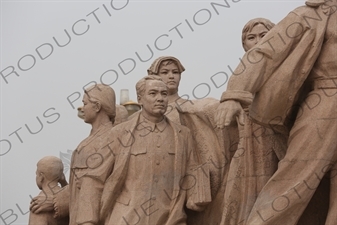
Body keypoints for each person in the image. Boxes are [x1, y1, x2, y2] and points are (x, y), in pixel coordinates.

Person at [215, 0, 337, 224]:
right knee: (295, 176)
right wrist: (235, 93)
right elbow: (266, 52)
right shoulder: (308, 15)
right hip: (326, 98)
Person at [100, 75, 210, 225]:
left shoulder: (183, 134)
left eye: (164, 94)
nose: (160, 98)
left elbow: (191, 171)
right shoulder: (120, 133)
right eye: (153, 94)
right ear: (140, 99)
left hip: (171, 217)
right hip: (127, 216)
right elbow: (98, 178)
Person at [148, 56, 239, 225]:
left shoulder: (191, 107)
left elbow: (212, 108)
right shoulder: (142, 117)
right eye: (165, 72)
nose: (171, 76)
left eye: (175, 72)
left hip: (184, 179)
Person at [219, 18, 289, 225]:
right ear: (244, 44)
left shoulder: (289, 68)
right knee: (243, 197)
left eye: (263, 35)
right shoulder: (242, 74)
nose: (258, 41)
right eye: (251, 38)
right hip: (249, 146)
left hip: (281, 140)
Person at [29, 156, 69, 225]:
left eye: (36, 174)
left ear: (41, 177)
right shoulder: (67, 200)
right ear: (62, 176)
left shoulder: (39, 204)